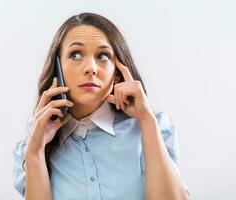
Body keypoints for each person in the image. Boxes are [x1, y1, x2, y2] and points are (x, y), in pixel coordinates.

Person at [12, 12, 190, 200]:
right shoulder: (30, 147)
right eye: (76, 54)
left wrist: (147, 121)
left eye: (102, 56)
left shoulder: (152, 128)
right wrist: (35, 152)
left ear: (117, 73)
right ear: (58, 68)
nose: (91, 68)